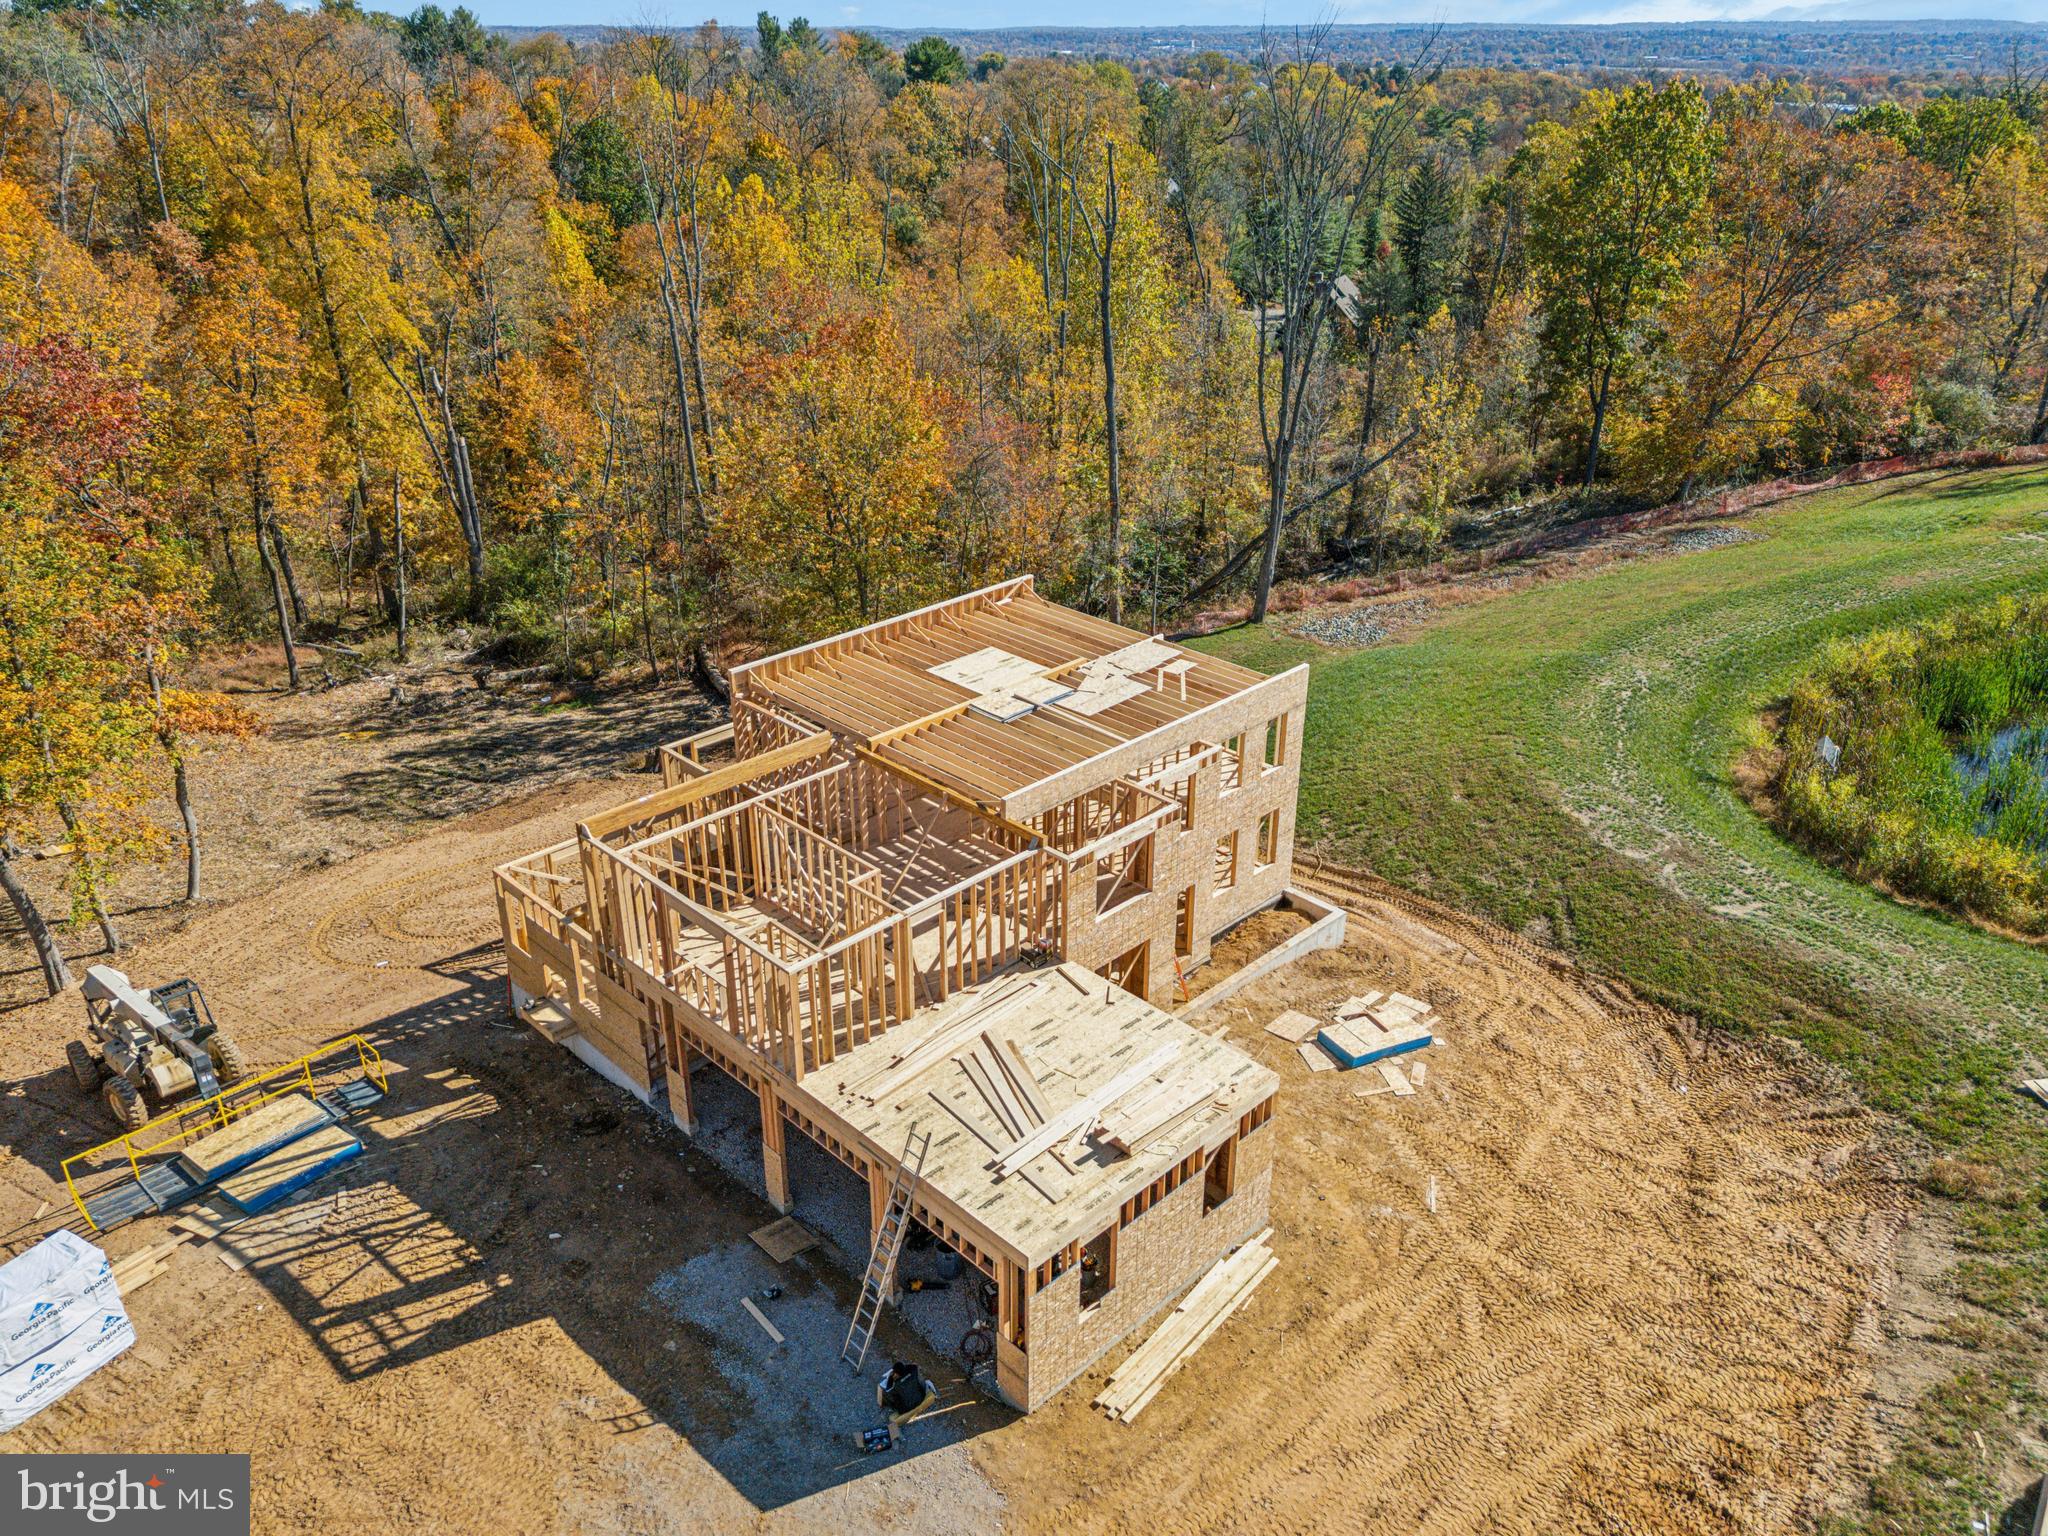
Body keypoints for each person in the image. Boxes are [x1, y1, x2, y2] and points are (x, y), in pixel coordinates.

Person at [877, 1359, 935, 1448]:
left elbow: (887, 1389)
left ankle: (881, 1405)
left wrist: (891, 1378)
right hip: (920, 1398)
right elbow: (913, 1365)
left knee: (889, 1395)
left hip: (906, 1408)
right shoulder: (914, 1369)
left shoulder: (895, 1384)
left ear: (896, 1374)